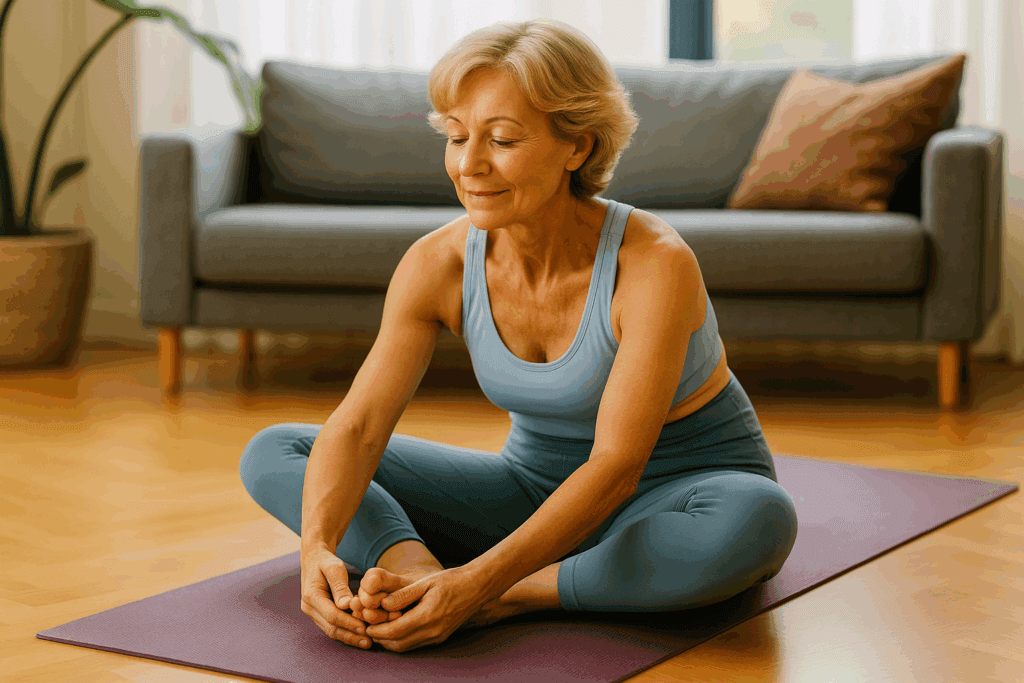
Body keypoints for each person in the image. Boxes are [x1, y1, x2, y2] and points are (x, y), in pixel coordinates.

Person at [239, 18, 798, 654]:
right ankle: (419, 579)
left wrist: (480, 585)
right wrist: (318, 552)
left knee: (758, 521)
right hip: (531, 493)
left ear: (578, 147)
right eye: (456, 136)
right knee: (279, 451)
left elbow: (617, 467)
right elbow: (360, 427)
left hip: (678, 495)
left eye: (501, 140)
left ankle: (507, 594)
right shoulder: (438, 264)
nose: (469, 165)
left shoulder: (655, 263)